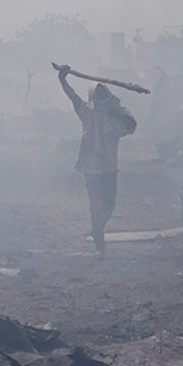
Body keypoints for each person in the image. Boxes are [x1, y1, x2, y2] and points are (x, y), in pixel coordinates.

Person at [57, 64, 137, 255]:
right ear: (93, 98)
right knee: (96, 203)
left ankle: (97, 230)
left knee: (108, 204)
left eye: (103, 96)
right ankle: (98, 239)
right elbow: (73, 96)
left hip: (107, 167)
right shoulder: (86, 112)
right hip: (91, 167)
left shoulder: (113, 117)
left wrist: (114, 107)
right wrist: (63, 79)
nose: (100, 100)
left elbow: (131, 125)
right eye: (98, 96)